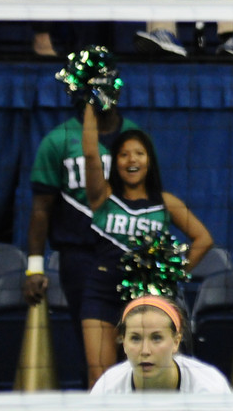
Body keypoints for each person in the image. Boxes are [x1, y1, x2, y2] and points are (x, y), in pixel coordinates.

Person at [80, 104, 214, 387]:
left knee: (149, 372)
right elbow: (91, 153)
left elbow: (204, 239)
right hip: (101, 291)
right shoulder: (102, 196)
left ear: (149, 160)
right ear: (114, 161)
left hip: (146, 298)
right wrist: (91, 100)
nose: (132, 159)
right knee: (100, 376)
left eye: (139, 153)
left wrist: (171, 274)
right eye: (124, 154)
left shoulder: (165, 202)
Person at [25, 76, 139, 355]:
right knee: (95, 353)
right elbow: (41, 208)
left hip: (129, 256)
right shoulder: (57, 141)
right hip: (81, 258)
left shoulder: (136, 138)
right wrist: (35, 267)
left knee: (135, 346)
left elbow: (151, 199)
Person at [90, 295, 230, 393]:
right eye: (135, 338)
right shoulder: (107, 389)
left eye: (156, 338)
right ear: (124, 342)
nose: (145, 351)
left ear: (176, 342)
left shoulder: (210, 387)